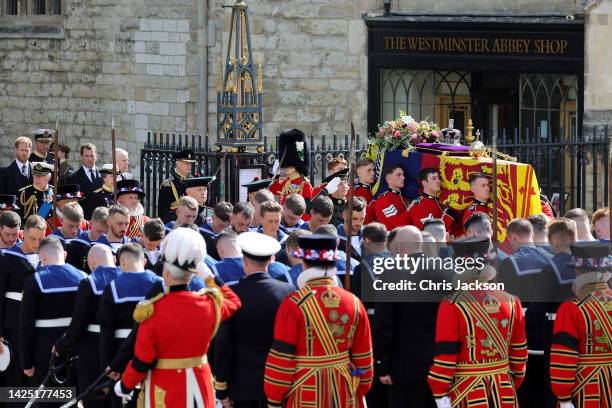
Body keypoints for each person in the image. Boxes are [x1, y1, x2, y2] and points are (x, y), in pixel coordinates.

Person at [113, 228, 241, 408]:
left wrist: (125, 386)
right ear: (192, 275)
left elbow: (143, 359)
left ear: (166, 274)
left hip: (165, 388)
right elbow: (234, 301)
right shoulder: (208, 303)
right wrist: (210, 277)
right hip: (200, 384)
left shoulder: (152, 310)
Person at [264, 234, 373, 407]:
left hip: (305, 391)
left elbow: (281, 359)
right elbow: (364, 359)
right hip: (343, 390)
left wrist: (274, 399)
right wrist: (358, 389)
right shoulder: (353, 302)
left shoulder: (293, 304)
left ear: (304, 264)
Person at [428, 236, 528, 408]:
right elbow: (519, 353)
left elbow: (446, 354)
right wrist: (508, 381)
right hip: (504, 390)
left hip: (467, 392)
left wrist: (440, 393)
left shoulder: (451, 304)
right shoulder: (512, 301)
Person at [214, 232, 294, 408]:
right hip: (280, 382)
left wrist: (221, 387)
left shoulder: (232, 294)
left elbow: (223, 343)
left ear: (245, 261)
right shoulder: (288, 292)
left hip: (242, 385)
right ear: (269, 262)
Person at [375, 226, 441, 408]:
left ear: (401, 248)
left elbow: (384, 324)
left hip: (403, 367)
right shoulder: (442, 273)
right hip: (440, 365)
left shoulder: (391, 274)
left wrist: (382, 364)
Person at [54, 244, 121, 408]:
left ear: (91, 263)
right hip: (124, 348)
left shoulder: (88, 283)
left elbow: (78, 324)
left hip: (93, 351)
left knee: (94, 400)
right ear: (113, 259)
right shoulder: (127, 279)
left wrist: (61, 345)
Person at [19, 236, 87, 395]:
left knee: (46, 400)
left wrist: (26, 361)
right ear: (64, 254)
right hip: (76, 350)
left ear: (42, 257)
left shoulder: (34, 281)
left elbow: (26, 325)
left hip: (43, 352)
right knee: (71, 400)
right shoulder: (83, 277)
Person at [522, 218, 578, 408]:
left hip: (556, 335)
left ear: (553, 241)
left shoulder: (551, 268)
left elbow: (537, 311)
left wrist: (520, 331)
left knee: (554, 390)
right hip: (586, 333)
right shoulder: (587, 263)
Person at [99, 243, 162, 408]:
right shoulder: (161, 285)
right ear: (145, 261)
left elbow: (106, 333)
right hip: (157, 355)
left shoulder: (112, 288)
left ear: (122, 263)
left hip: (121, 357)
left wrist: (108, 369)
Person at [549, 241, 611, 408]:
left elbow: (563, 358)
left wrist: (564, 399)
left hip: (587, 388)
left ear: (578, 270)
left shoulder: (571, 309)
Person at [0, 215, 46, 388]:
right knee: (16, 378)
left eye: (40, 239)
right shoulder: (7, 258)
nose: (36, 243)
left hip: (39, 325)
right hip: (14, 326)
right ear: (23, 234)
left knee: (37, 376)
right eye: (32, 238)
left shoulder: (47, 257)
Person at [350, 222, 390, 408]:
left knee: (375, 391)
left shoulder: (363, 267)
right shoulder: (403, 263)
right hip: (398, 329)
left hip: (372, 327)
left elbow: (356, 303)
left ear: (366, 241)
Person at [498, 218, 553, 300]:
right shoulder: (552, 259)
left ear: (513, 237)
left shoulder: (509, 262)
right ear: (532, 235)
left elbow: (504, 296)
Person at [269, 129, 313, 205]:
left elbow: (306, 215)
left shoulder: (305, 187)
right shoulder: (278, 185)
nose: (285, 166)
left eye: (289, 163)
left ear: (297, 162)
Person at [407, 168, 455, 232]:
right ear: (424, 183)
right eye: (433, 178)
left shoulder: (440, 202)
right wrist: (448, 216)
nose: (438, 181)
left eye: (438, 178)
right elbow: (430, 232)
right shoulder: (418, 205)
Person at [66, 206, 109, 272]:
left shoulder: (109, 244)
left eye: (106, 232)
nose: (102, 236)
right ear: (91, 223)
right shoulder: (75, 245)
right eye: (99, 231)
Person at [157, 149, 195, 220]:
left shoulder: (193, 181)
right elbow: (163, 213)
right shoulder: (168, 184)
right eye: (186, 163)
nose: (189, 166)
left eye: (190, 163)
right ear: (177, 163)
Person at [371, 164, 411, 231]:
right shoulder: (384, 200)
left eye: (403, 175)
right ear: (388, 179)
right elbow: (399, 223)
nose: (403, 178)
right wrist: (411, 208)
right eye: (398, 175)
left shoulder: (403, 198)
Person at [68, 143, 102, 220]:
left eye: (92, 156)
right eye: (86, 156)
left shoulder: (104, 175)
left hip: (102, 220)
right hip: (84, 220)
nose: (89, 159)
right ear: (81, 157)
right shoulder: (73, 178)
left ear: (96, 157)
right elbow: (72, 203)